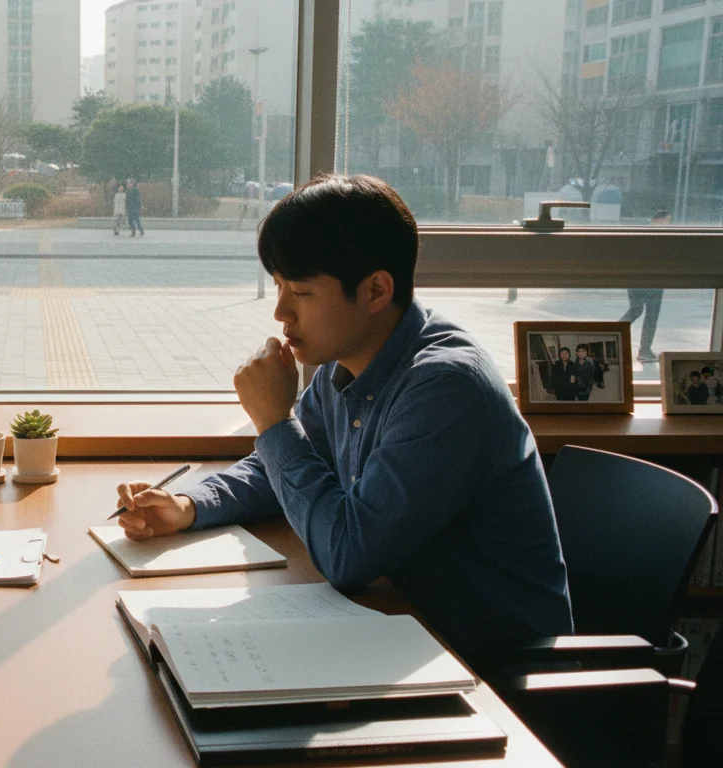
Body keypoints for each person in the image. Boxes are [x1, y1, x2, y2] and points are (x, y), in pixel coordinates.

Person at [113, 174, 571, 669]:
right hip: (402, 634)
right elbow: (287, 465)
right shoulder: (345, 360)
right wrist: (189, 505)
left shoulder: (446, 387)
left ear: (375, 290)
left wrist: (272, 422)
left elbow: (348, 557)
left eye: (301, 292)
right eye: (279, 287)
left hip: (490, 671)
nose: (280, 312)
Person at [619, 210, 669, 364]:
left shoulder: (640, 231)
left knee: (636, 310)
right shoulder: (658, 236)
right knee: (651, 315)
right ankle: (644, 350)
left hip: (635, 280)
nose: (668, 223)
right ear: (659, 220)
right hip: (652, 281)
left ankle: (613, 334)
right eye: (667, 220)